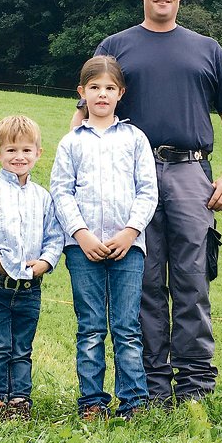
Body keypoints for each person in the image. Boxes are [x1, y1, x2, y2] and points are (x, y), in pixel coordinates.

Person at [74, 0, 222, 407]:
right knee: (144, 282)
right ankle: (151, 385)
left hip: (191, 172)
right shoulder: (115, 47)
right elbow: (85, 111)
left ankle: (195, 385)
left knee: (192, 280)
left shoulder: (207, 49)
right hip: (131, 176)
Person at [53, 56, 158, 419]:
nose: (102, 94)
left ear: (120, 93)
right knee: (91, 327)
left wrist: (131, 232)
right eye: (95, 87)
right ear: (82, 92)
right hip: (82, 250)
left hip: (129, 248)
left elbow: (148, 191)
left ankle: (133, 401)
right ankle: (92, 402)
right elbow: (61, 191)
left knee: (127, 328)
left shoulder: (135, 139)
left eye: (109, 88)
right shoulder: (71, 142)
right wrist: (80, 234)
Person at [0, 115, 63, 421]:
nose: (19, 157)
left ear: (38, 153)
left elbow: (54, 235)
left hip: (29, 288)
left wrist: (45, 262)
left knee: (21, 347)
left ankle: (19, 399)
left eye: (26, 150)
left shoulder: (42, 197)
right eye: (11, 150)